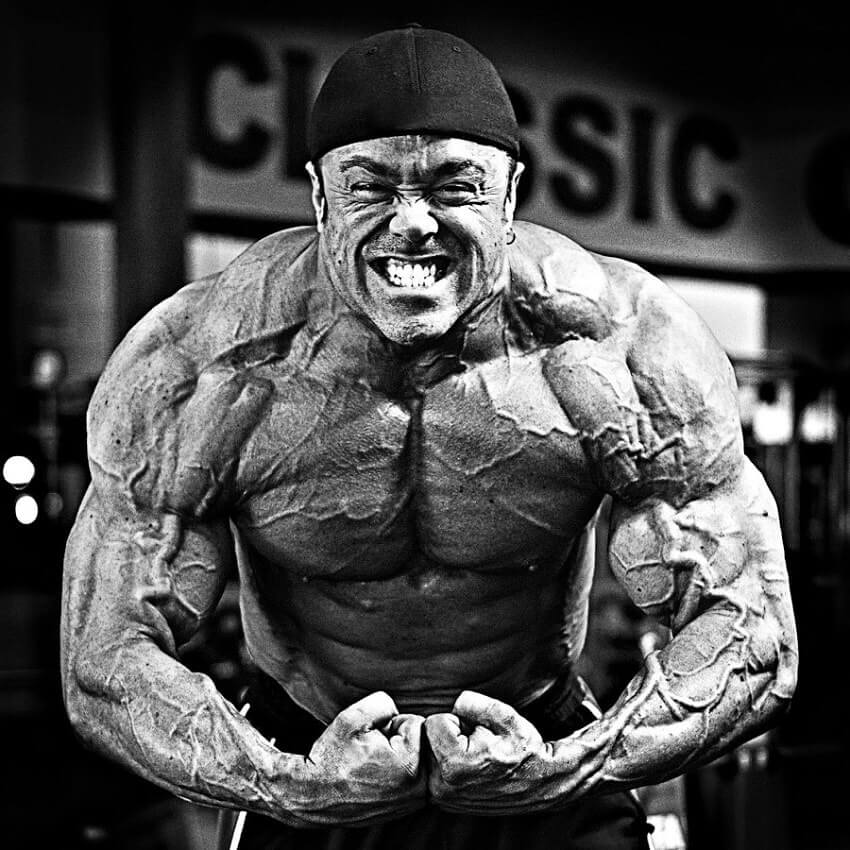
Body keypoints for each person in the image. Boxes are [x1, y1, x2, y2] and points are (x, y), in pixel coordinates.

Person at [60, 23, 798, 850]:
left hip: (539, 749)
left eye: (456, 186)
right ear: (319, 198)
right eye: (370, 187)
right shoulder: (207, 367)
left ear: (510, 198)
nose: (413, 223)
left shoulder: (618, 352)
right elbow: (104, 660)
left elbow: (756, 636)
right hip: (306, 756)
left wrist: (576, 764)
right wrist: (287, 784)